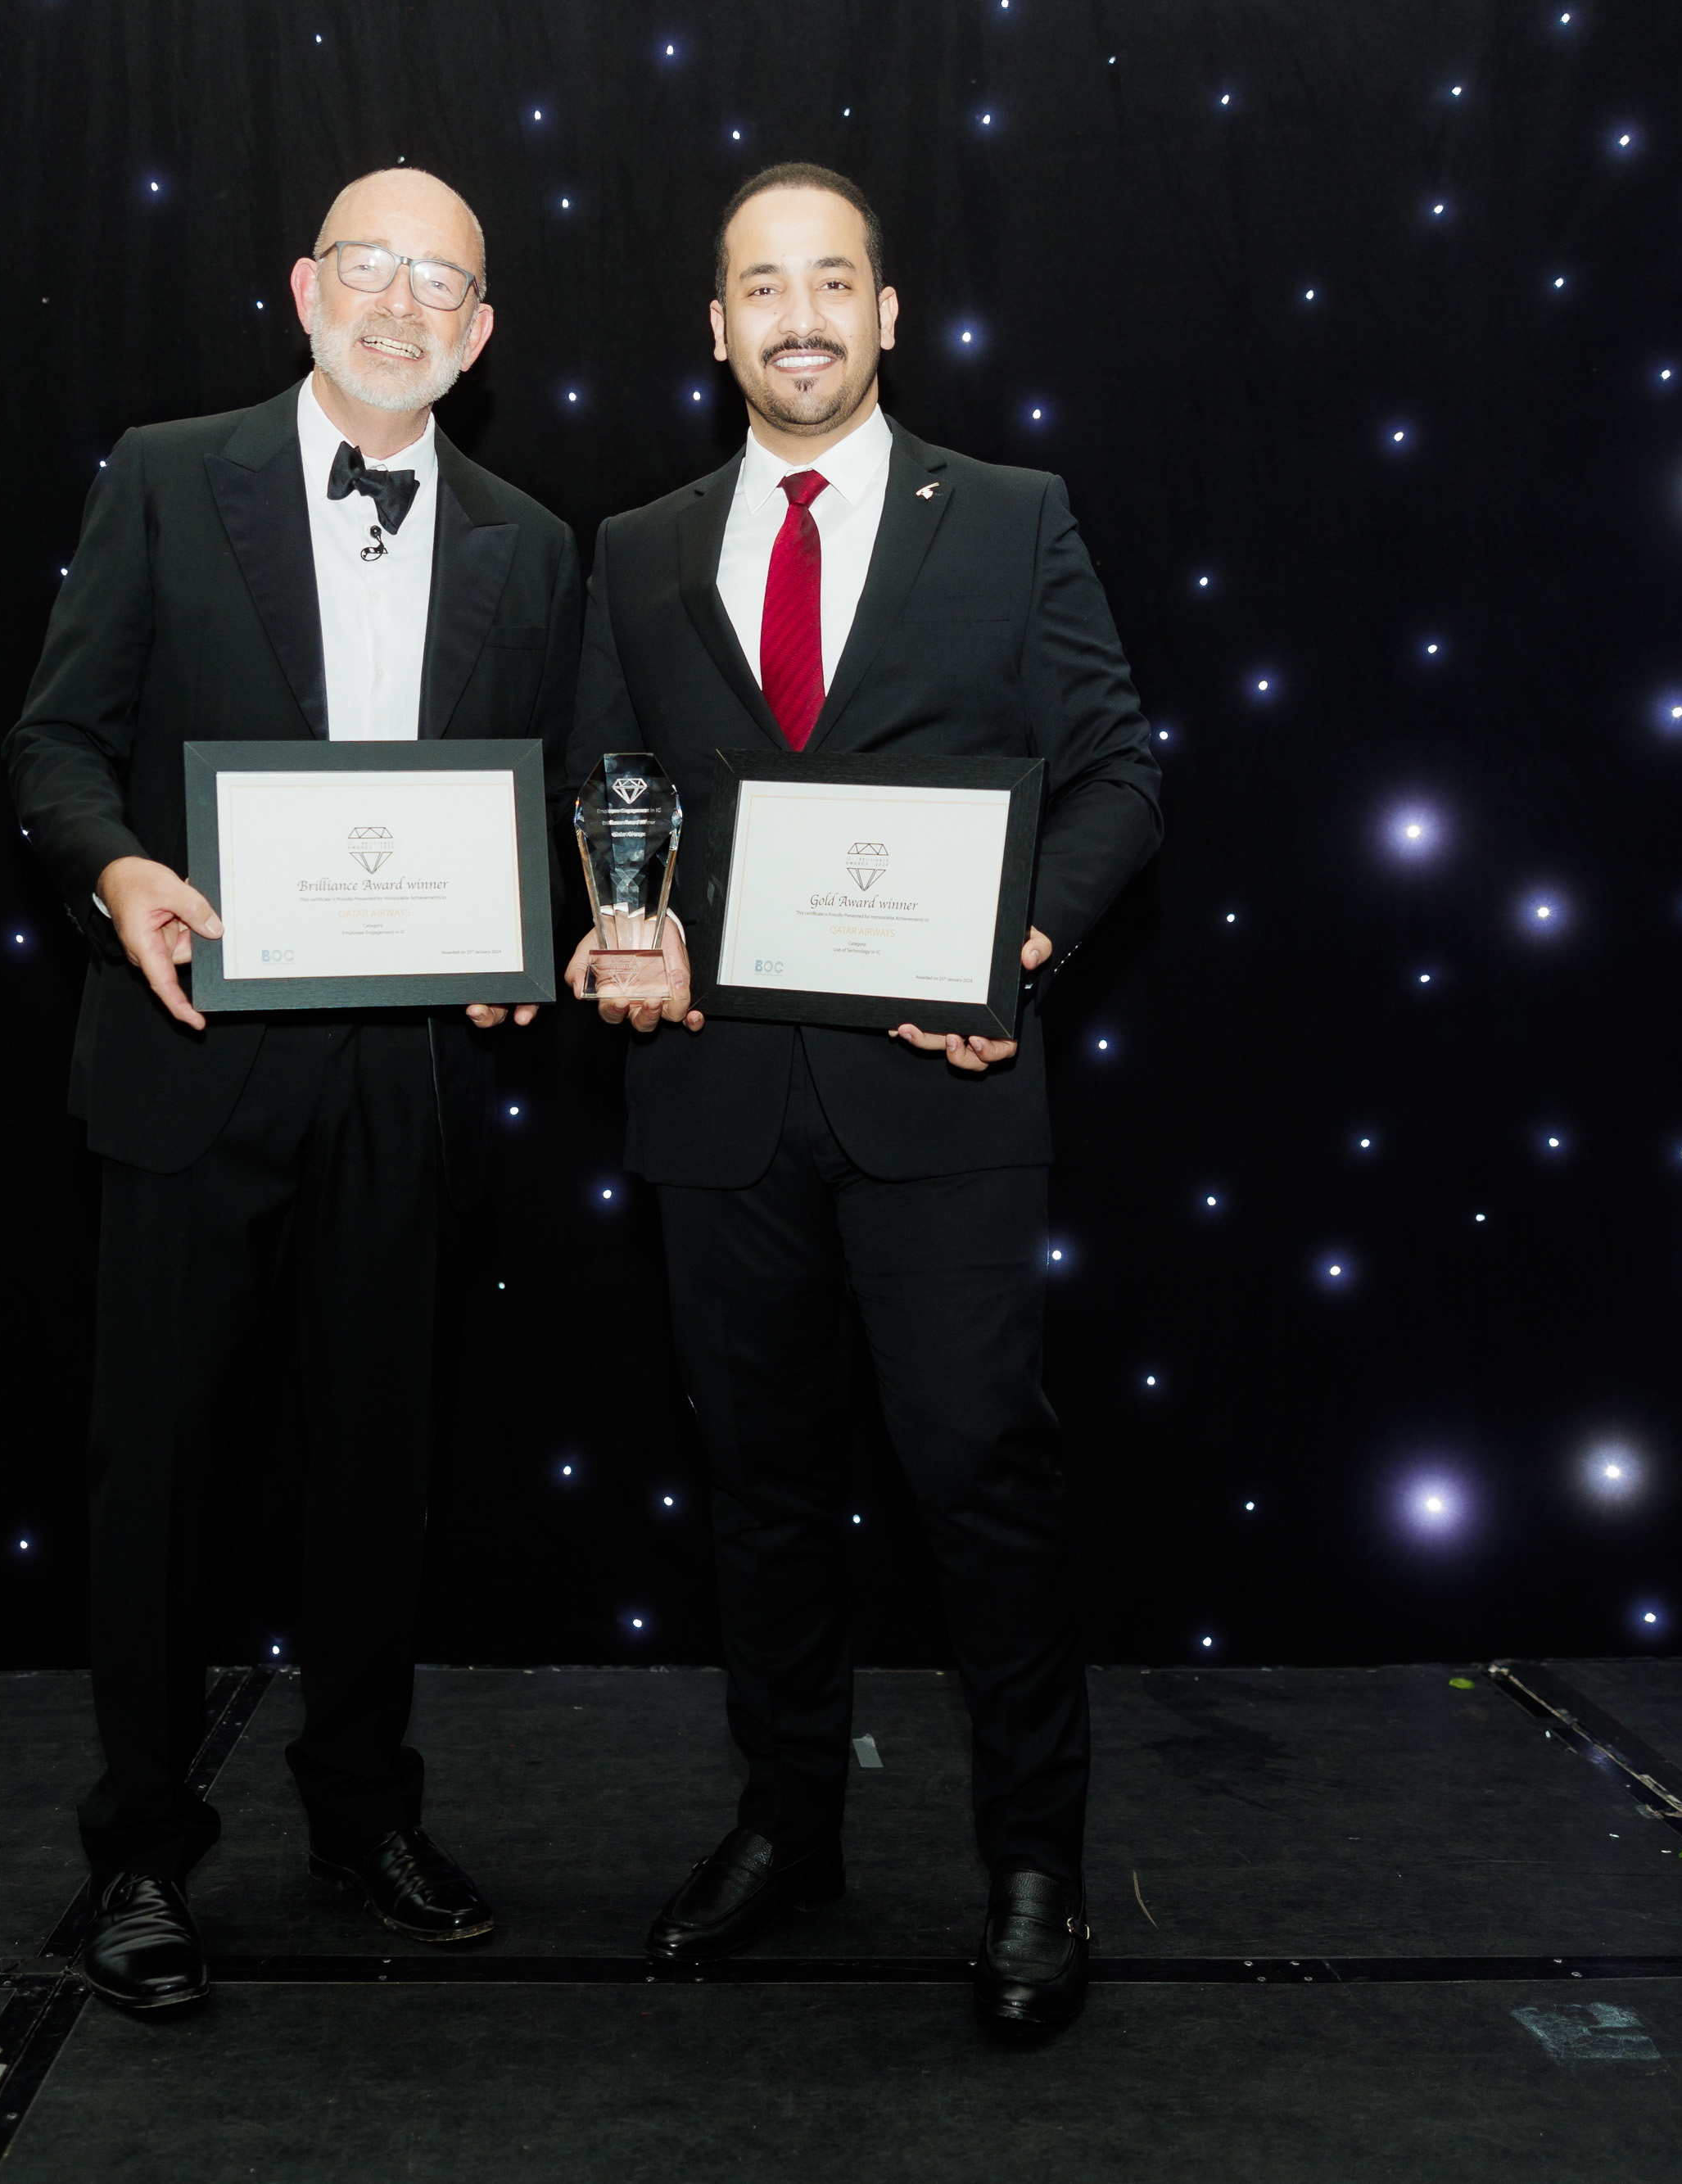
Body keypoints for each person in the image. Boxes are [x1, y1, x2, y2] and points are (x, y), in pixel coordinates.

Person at [565, 163, 1161, 2028]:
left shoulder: (1012, 514)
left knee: (982, 1475)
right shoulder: (636, 545)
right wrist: (624, 922)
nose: (801, 315)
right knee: (759, 1488)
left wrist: (1016, 953)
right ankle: (786, 1821)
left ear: (888, 315)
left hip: (940, 1092)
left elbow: (1118, 776)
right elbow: (607, 786)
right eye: (764, 286)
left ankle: (1036, 1862)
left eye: (834, 281)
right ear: (716, 326)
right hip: (715, 1099)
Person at [3, 165, 581, 2010]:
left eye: (439, 283)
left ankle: (360, 1810)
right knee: (160, 1472)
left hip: (406, 1078)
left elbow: (550, 791)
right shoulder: (167, 474)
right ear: (303, 289)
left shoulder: (531, 541)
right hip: (191, 1055)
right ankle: (141, 1849)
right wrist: (116, 871)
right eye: (367, 268)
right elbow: (55, 740)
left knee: (378, 1469)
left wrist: (527, 935)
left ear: (479, 335)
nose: (399, 304)